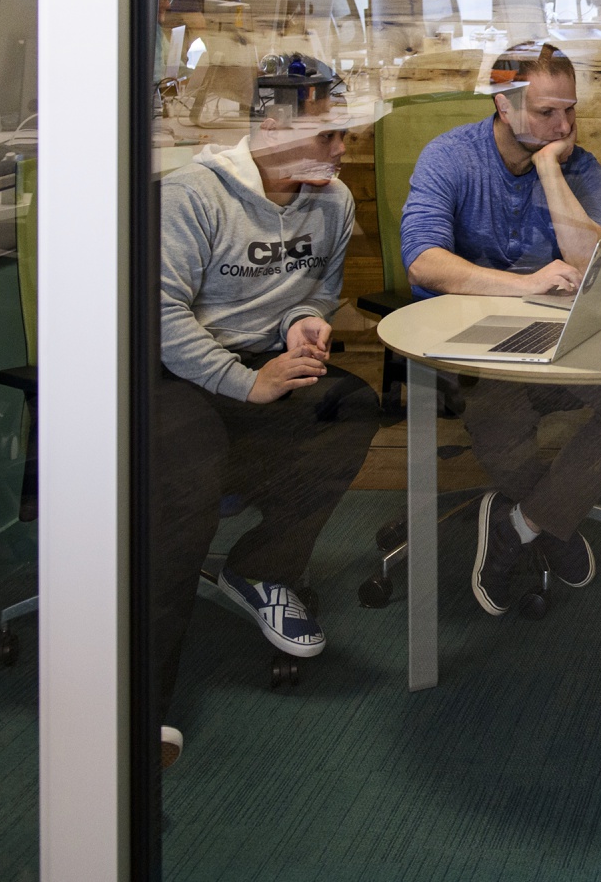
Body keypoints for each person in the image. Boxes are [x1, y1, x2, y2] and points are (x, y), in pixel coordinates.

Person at [153, 55, 379, 766]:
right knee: (187, 487)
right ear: (274, 125)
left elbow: (317, 290)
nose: (343, 150)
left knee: (352, 406)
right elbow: (158, 314)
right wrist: (243, 382)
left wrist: (302, 326)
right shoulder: (192, 195)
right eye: (329, 135)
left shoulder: (332, 200)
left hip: (262, 363)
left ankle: (261, 567)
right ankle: (145, 700)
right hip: (174, 371)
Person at [398, 45, 601, 613]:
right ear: (503, 102)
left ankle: (525, 523)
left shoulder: (577, 166)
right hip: (463, 350)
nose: (563, 125)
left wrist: (547, 168)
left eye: (570, 111)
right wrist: (524, 285)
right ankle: (551, 519)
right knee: (500, 411)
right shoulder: (451, 157)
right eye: (546, 113)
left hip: (551, 342)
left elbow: (594, 263)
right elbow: (422, 261)